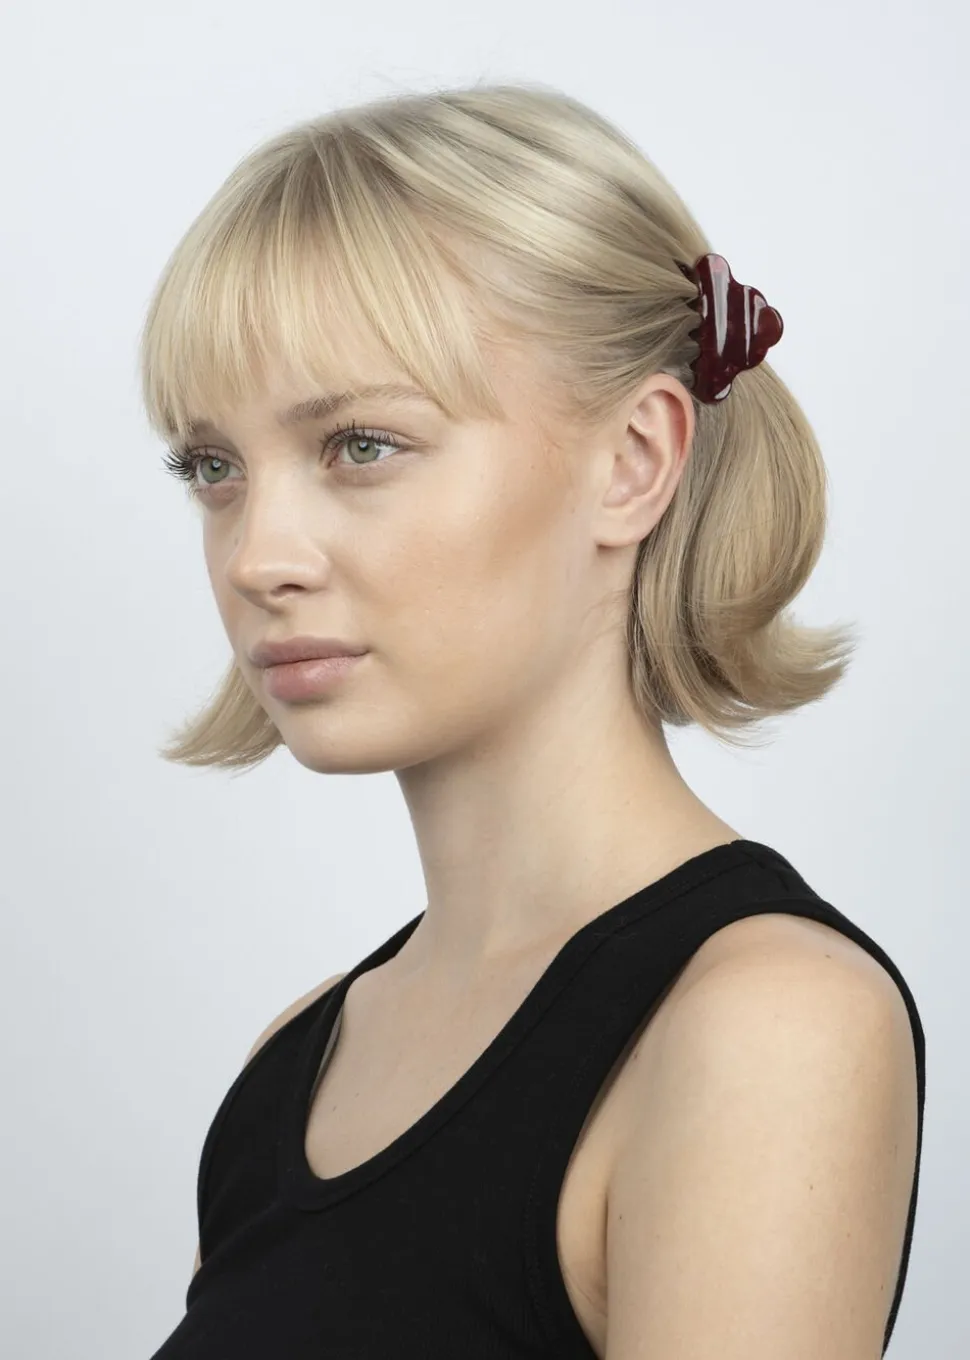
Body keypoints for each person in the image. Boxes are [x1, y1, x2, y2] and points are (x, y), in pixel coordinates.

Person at [143, 81, 924, 1359]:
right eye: (213, 468)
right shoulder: (296, 1057)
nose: (256, 556)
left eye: (359, 445)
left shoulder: (761, 1025)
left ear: (634, 461)